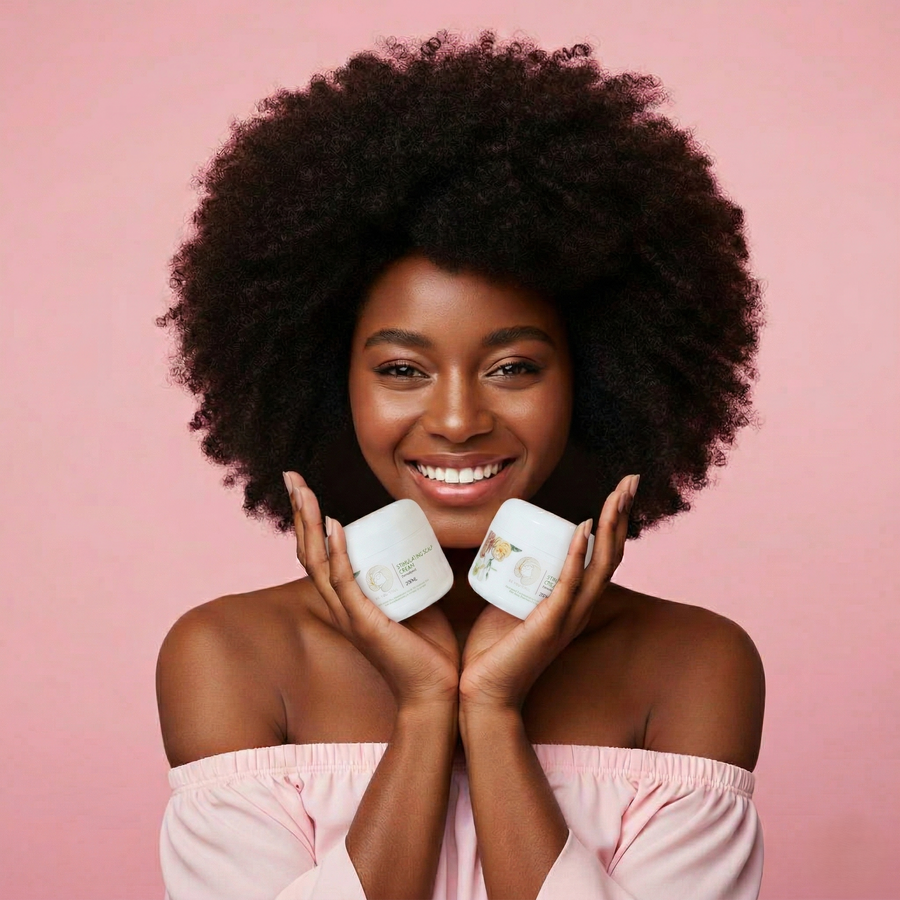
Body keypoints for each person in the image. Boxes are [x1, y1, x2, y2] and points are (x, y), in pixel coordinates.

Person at [155, 29, 766, 900]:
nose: (455, 421)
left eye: (513, 367)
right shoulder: (229, 656)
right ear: (332, 387)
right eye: (402, 370)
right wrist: (421, 706)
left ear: (595, 380)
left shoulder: (695, 664)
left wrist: (492, 708)